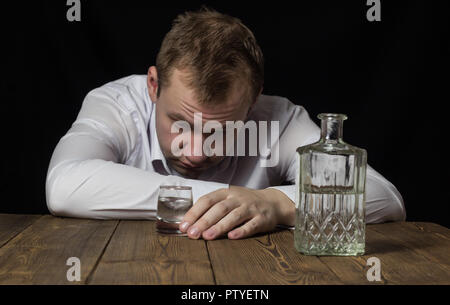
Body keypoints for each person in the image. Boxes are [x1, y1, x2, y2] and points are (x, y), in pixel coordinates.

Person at [46, 8, 406, 240]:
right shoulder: (116, 104)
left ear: (253, 101)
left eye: (218, 130)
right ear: (153, 86)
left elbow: (384, 198)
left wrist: (274, 204)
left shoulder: (278, 118)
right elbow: (65, 185)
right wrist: (241, 203)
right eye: (180, 122)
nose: (197, 151)